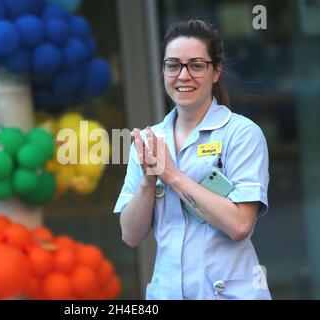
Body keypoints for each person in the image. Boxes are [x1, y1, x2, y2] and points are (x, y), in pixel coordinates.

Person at [113, 19, 271, 300]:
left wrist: (172, 176)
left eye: (196, 65)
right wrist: (148, 184)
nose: (183, 75)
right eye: (173, 65)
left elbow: (239, 225)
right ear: (163, 70)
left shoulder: (242, 134)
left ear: (215, 72)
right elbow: (130, 235)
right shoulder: (150, 141)